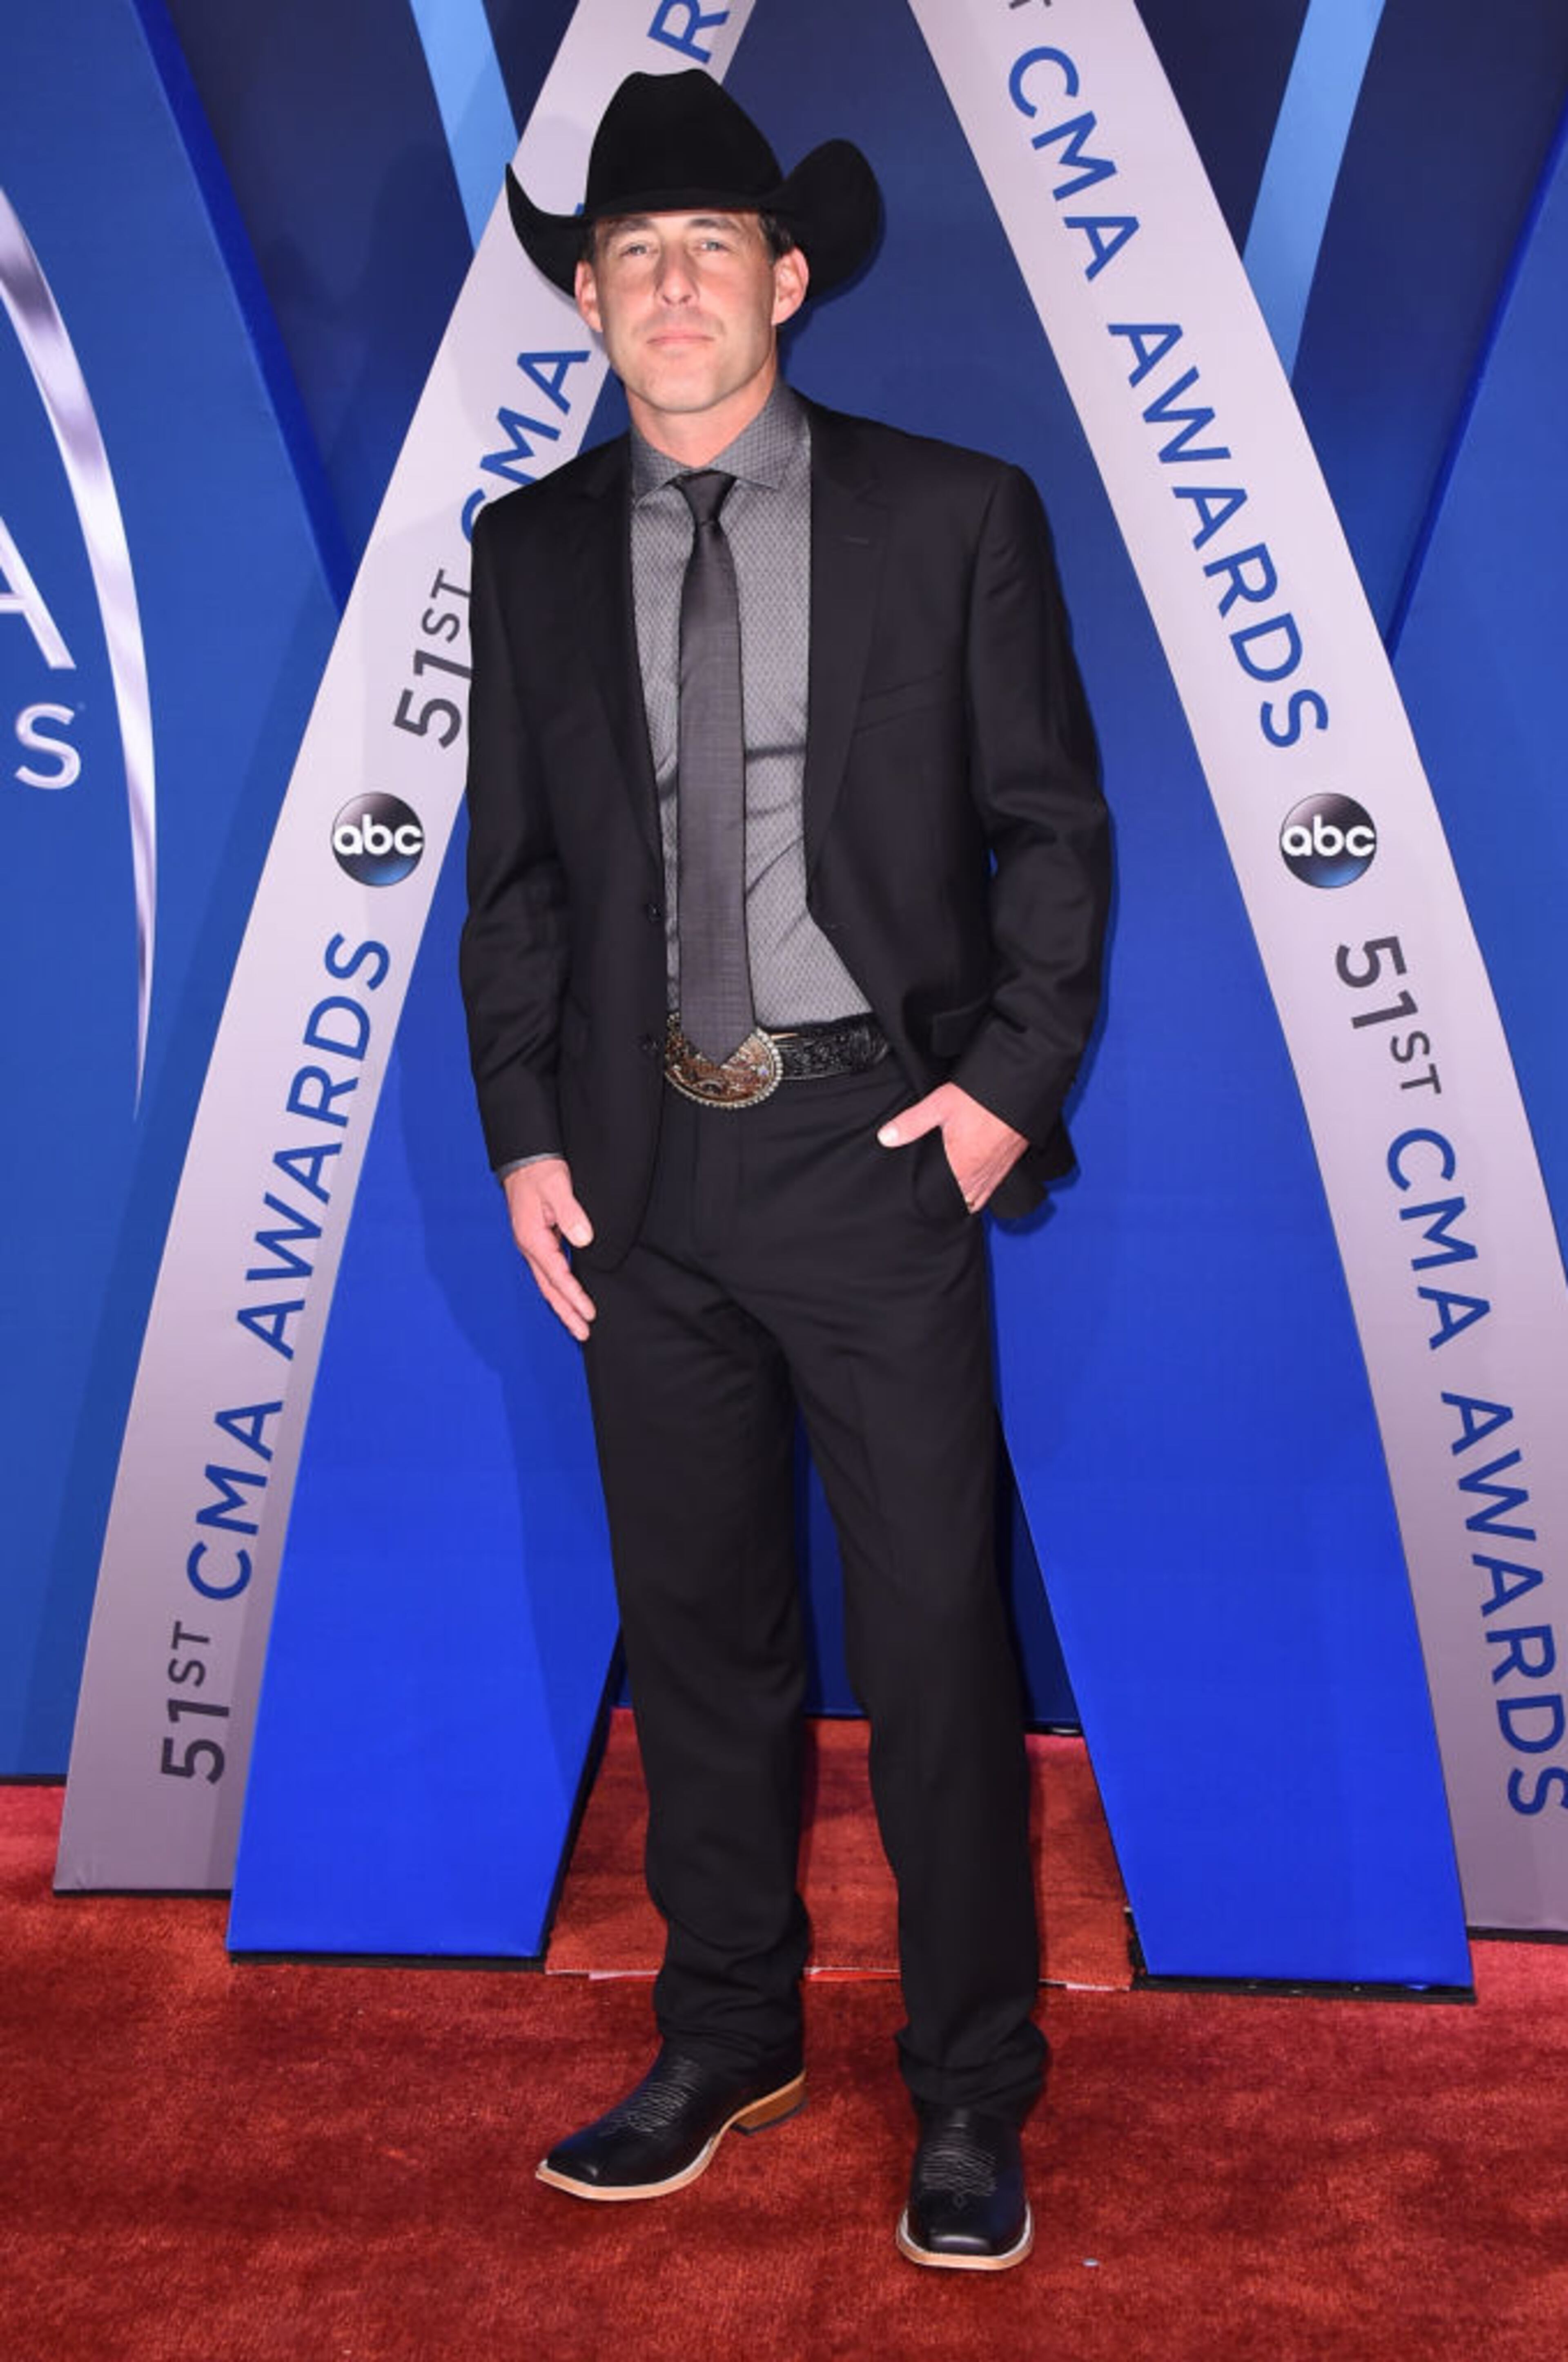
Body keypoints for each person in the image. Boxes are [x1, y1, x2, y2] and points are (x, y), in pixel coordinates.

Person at [459, 67, 1110, 2273]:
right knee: (700, 1638)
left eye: (706, 248)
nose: (665, 287)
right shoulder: (530, 549)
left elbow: (1058, 828)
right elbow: (520, 880)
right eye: (625, 255)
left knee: (932, 1641)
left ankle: (969, 2091)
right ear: (589, 296)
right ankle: (729, 2029)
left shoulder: (956, 513)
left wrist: (1009, 1085)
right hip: (641, 1169)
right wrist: (529, 1130)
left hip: (871, 1149)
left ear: (788, 277)